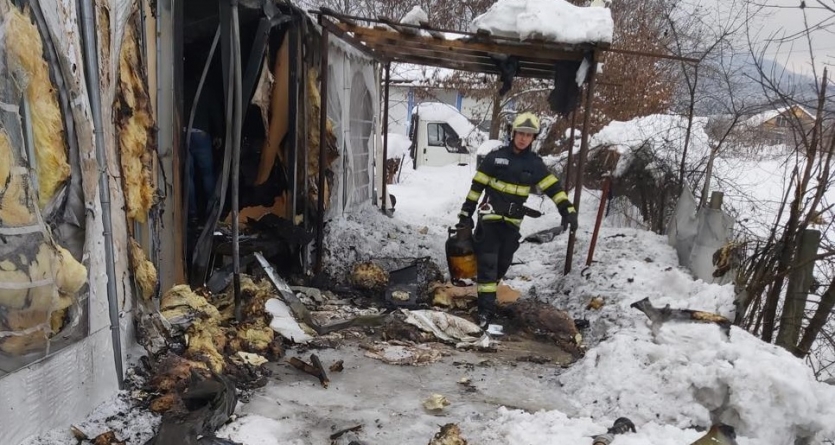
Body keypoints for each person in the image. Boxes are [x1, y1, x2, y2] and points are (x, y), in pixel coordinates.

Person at [457, 111, 578, 328]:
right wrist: (466, 214)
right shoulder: (496, 157)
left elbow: (554, 188)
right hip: (490, 217)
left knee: (502, 263)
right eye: (521, 133)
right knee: (488, 263)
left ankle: (486, 298)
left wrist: (567, 210)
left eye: (529, 135)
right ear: (513, 133)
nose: (523, 138)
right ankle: (485, 312)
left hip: (512, 223)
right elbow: (476, 187)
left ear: (533, 138)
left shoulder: (534, 164)